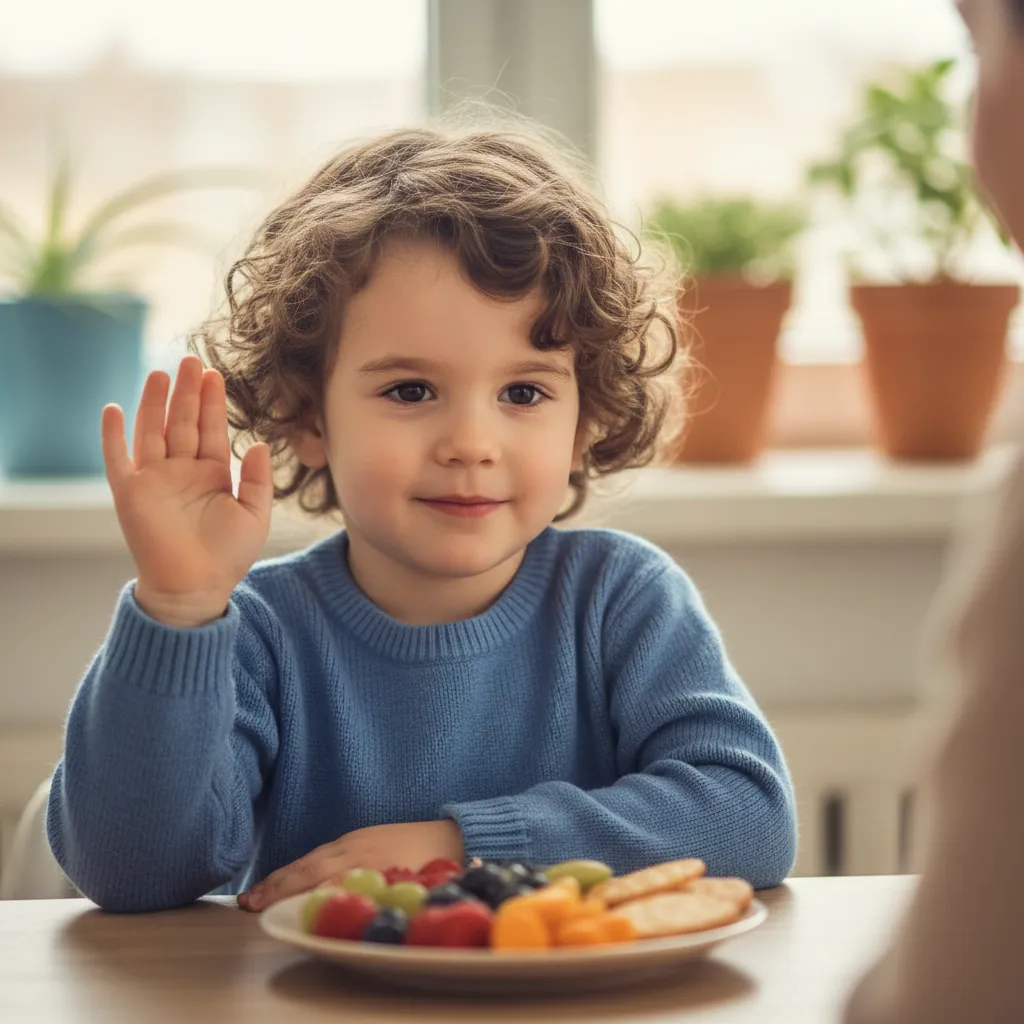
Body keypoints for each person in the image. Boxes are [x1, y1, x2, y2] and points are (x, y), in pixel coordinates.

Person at [45, 124, 797, 913]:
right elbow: (130, 874)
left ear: (585, 422)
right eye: (410, 391)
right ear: (306, 417)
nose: (471, 443)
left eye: (524, 393)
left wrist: (461, 846)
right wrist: (177, 608)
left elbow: (749, 818)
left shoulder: (623, 598)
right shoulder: (260, 632)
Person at [845, 1, 1024, 1020]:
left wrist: (470, 839)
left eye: (973, 42)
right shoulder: (302, 621)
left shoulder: (623, 594)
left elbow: (953, 993)